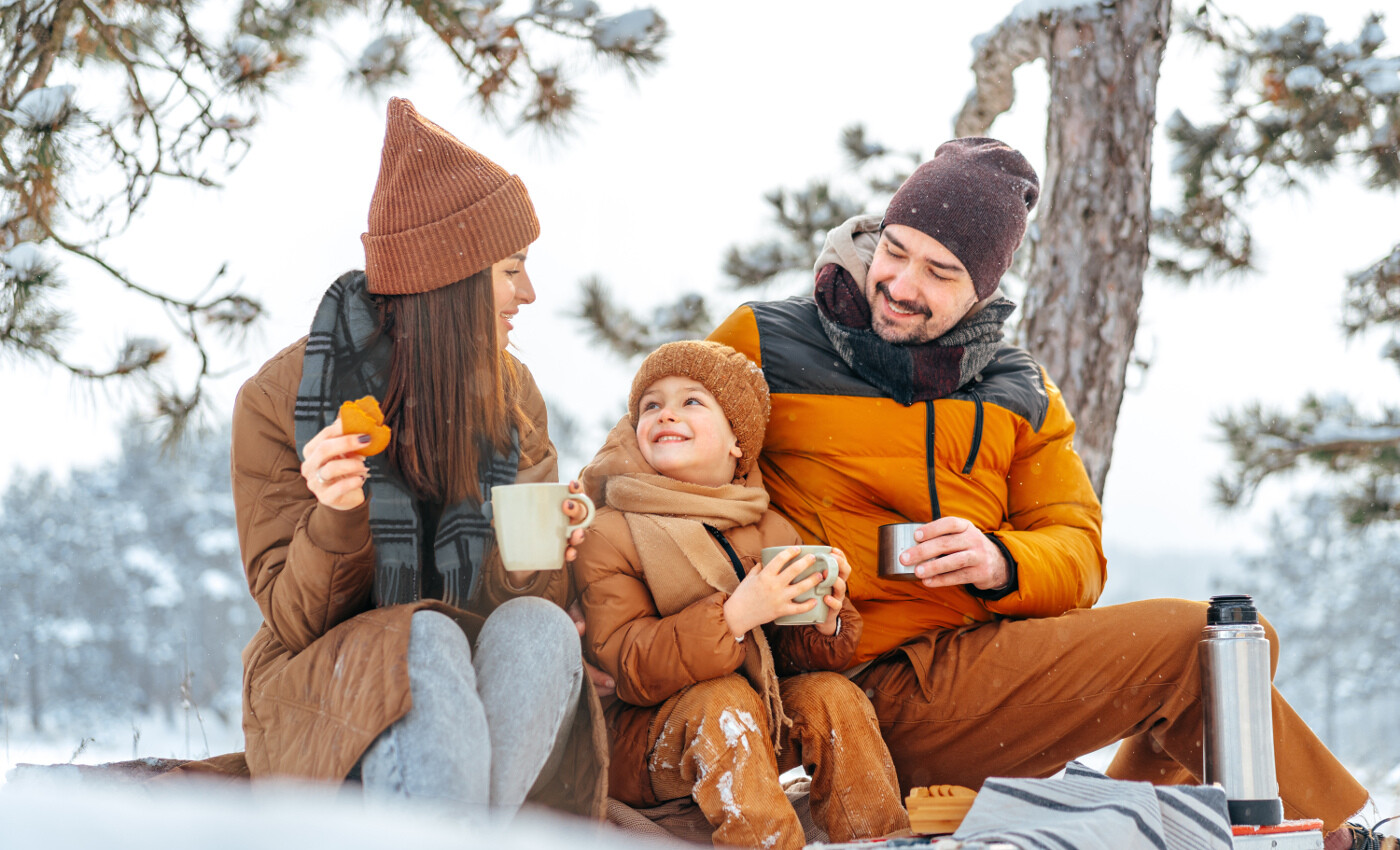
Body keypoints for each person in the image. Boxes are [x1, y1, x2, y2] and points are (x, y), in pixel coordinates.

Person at [708, 137, 1384, 848]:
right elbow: (645, 452)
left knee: (1233, 647)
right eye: (896, 250)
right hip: (844, 686)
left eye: (940, 272)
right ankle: (1338, 840)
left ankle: (1125, 815)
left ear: (984, 289)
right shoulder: (766, 340)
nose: (903, 285)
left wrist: (1000, 561)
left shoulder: (1016, 389)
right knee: (1204, 649)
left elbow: (1079, 553)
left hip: (974, 672)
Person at [230, 97, 605, 821]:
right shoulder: (282, 401)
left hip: (470, 686)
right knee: (421, 633)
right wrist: (338, 516)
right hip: (326, 682)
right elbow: (292, 617)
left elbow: (518, 605)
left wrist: (544, 551)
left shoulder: (512, 393)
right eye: (511, 270)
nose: (529, 293)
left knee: (540, 628)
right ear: (452, 278)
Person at [573, 341, 909, 849]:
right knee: (722, 700)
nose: (666, 412)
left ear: (738, 441)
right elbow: (626, 664)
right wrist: (731, 618)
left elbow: (785, 661)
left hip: (755, 719)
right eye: (651, 404)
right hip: (642, 742)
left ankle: (879, 838)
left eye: (691, 401)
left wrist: (823, 624)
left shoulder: (767, 524)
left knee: (832, 698)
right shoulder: (611, 530)